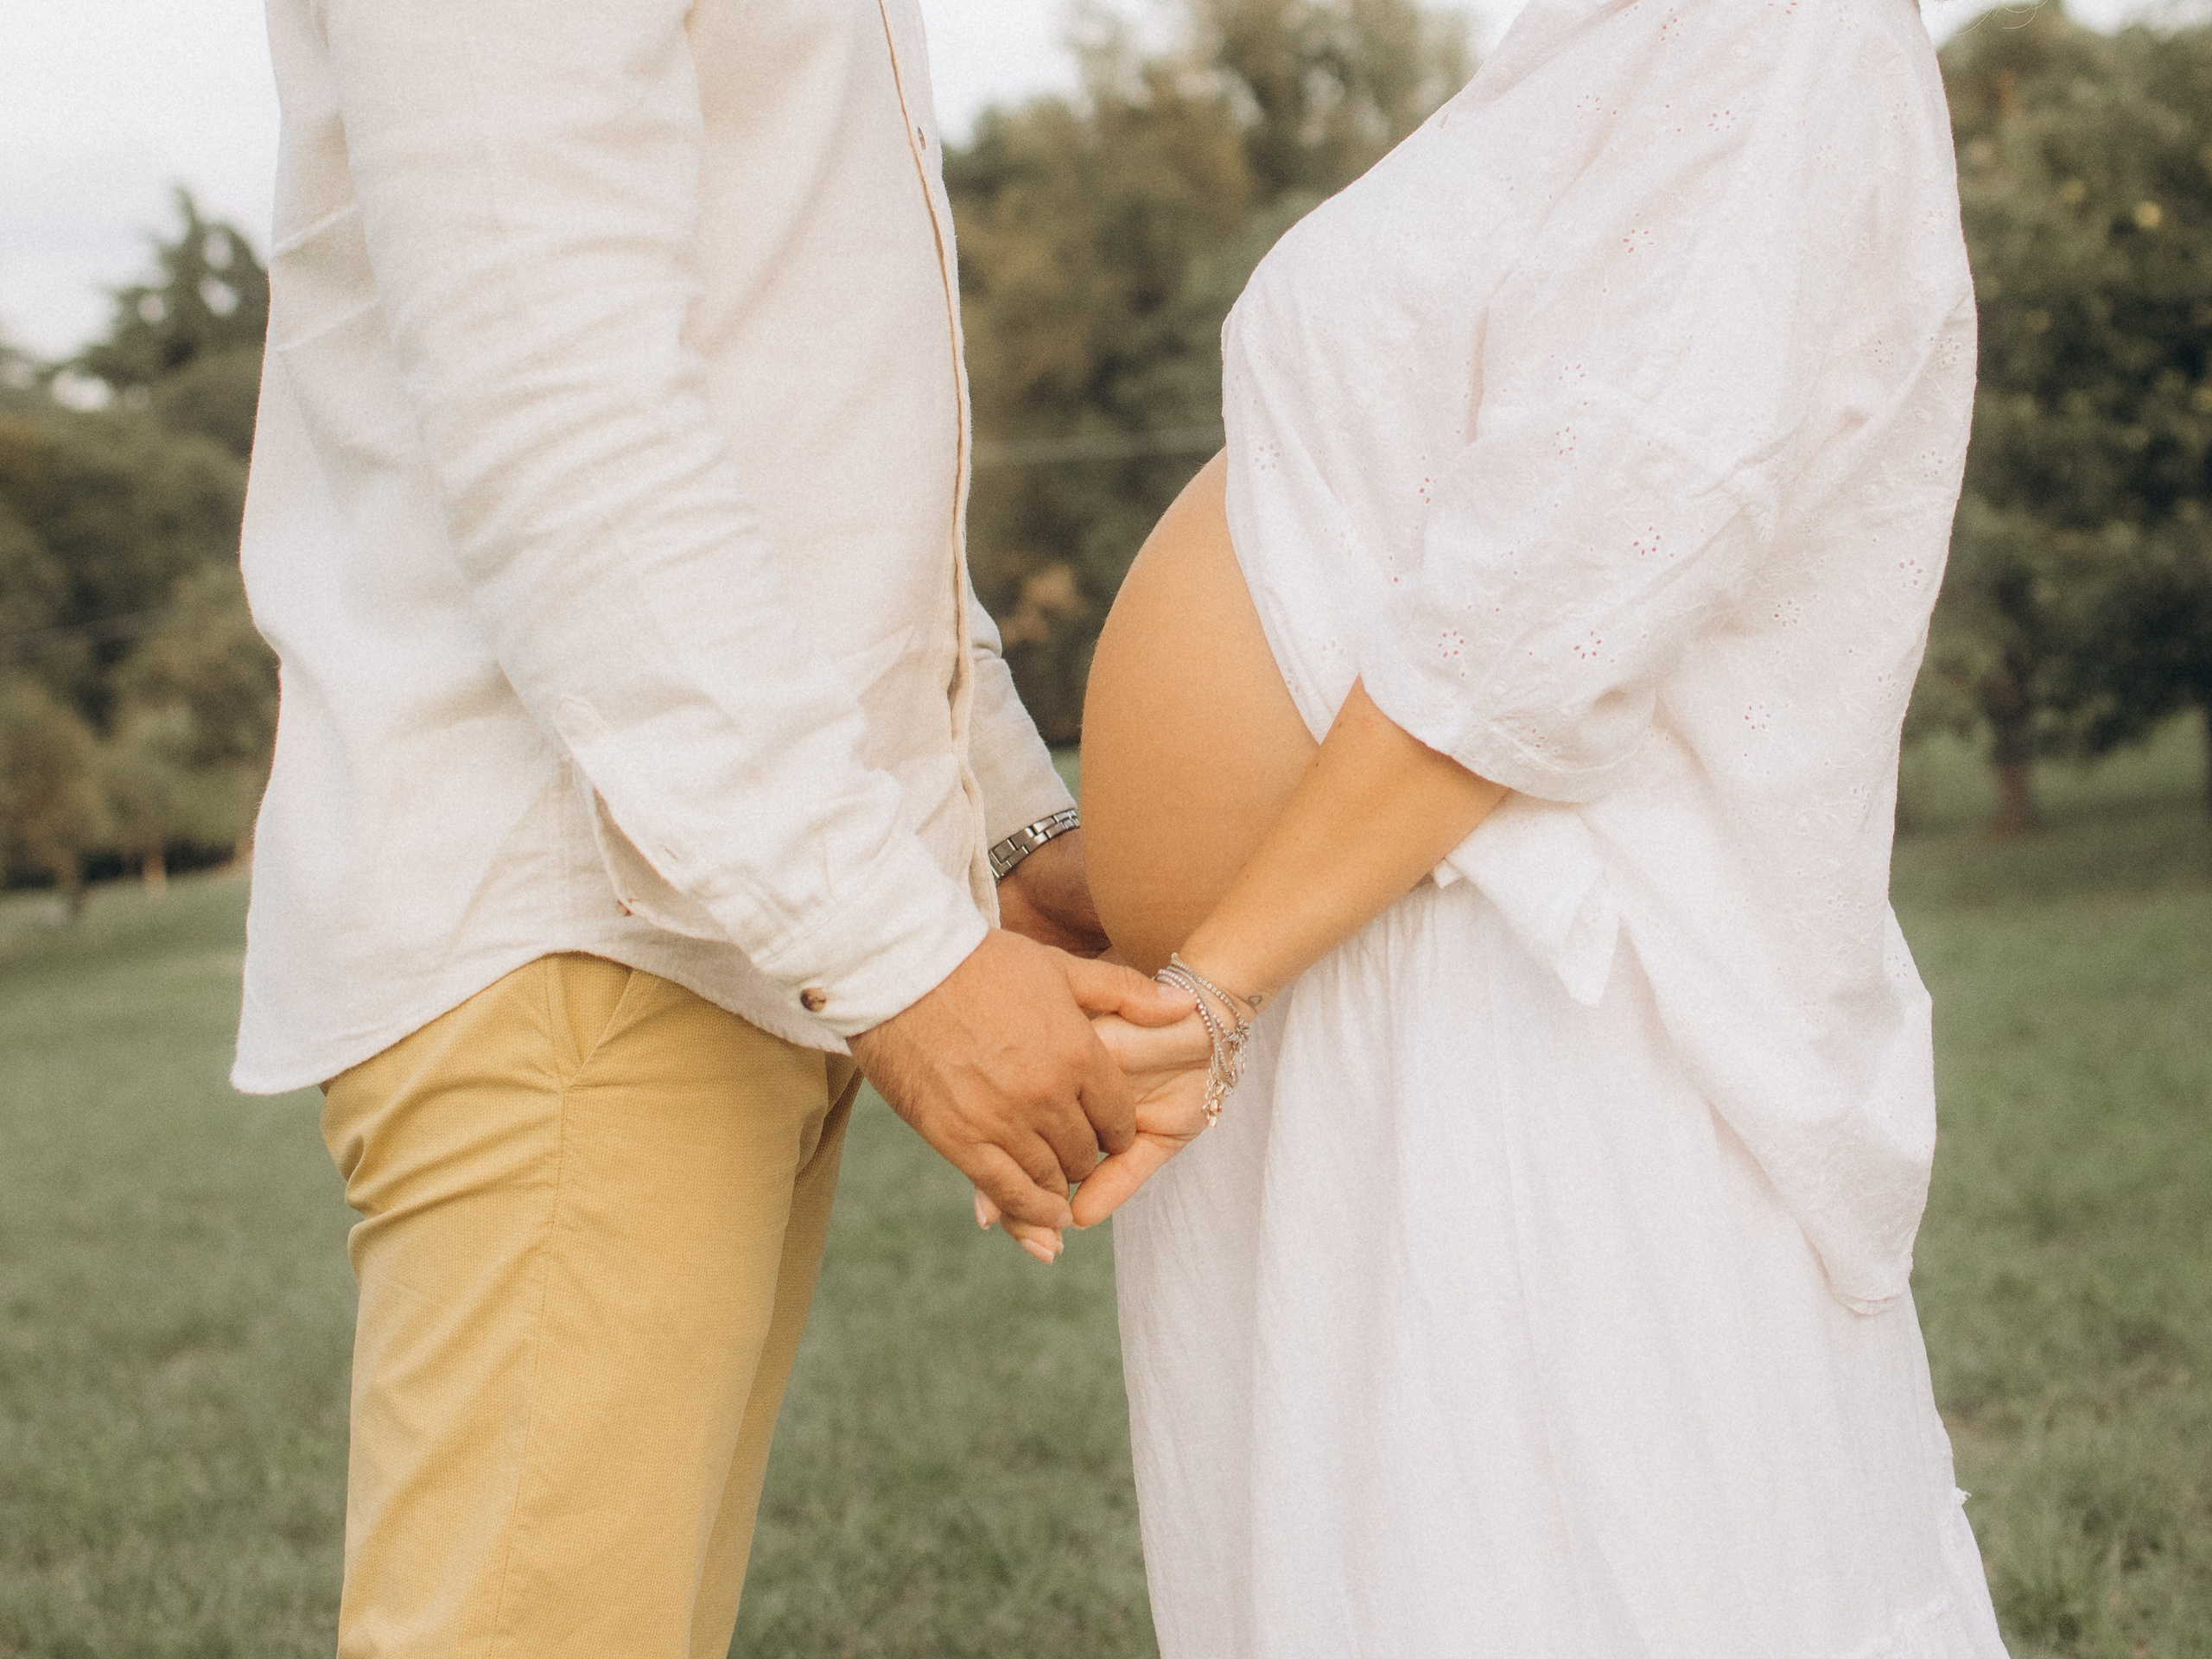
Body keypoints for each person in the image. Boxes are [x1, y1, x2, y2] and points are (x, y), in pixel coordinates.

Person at [1032, 0, 2017, 1652]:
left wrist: (1215, 979)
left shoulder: (1786, 29)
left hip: (1514, 1015)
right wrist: (1122, 879)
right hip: (1346, 986)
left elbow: (1586, 558)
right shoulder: (1580, 48)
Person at [230, 0, 1188, 1651]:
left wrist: (1002, 827)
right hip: (581, 924)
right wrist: (898, 954)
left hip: (723, 902)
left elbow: (813, 440)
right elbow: (566, 432)